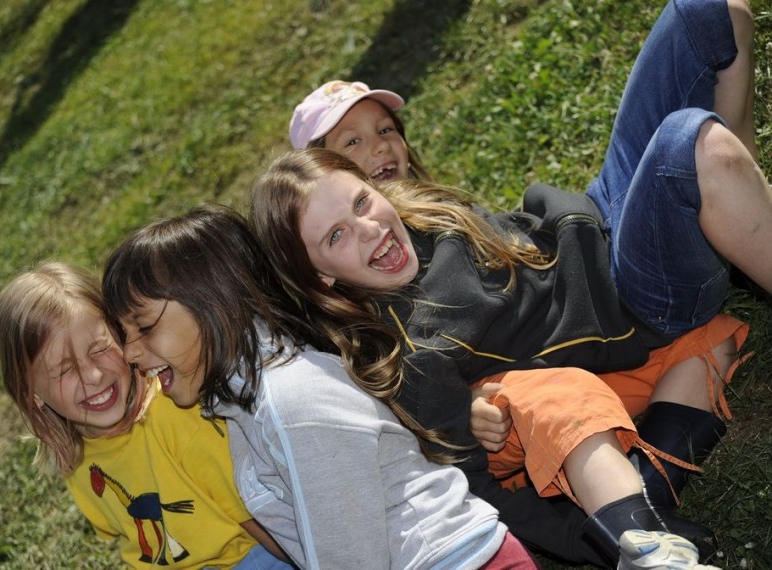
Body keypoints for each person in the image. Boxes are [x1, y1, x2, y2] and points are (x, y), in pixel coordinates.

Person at [258, 0, 767, 564]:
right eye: (336, 235)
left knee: (712, 13)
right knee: (691, 144)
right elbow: (477, 476)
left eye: (361, 200)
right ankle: (638, 520)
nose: (368, 227)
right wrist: (582, 540)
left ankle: (737, 207)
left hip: (599, 216)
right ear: (319, 274)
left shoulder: (422, 214)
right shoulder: (411, 349)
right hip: (632, 292)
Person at [100, 204, 540, 569]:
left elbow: (353, 558)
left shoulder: (289, 401)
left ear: (215, 305)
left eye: (144, 327)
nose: (131, 353)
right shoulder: (246, 401)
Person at [0, 262, 291, 569]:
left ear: (120, 334)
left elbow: (262, 522)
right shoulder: (75, 460)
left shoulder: (175, 416)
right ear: (32, 394)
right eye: (64, 370)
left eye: (99, 348)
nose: (93, 375)